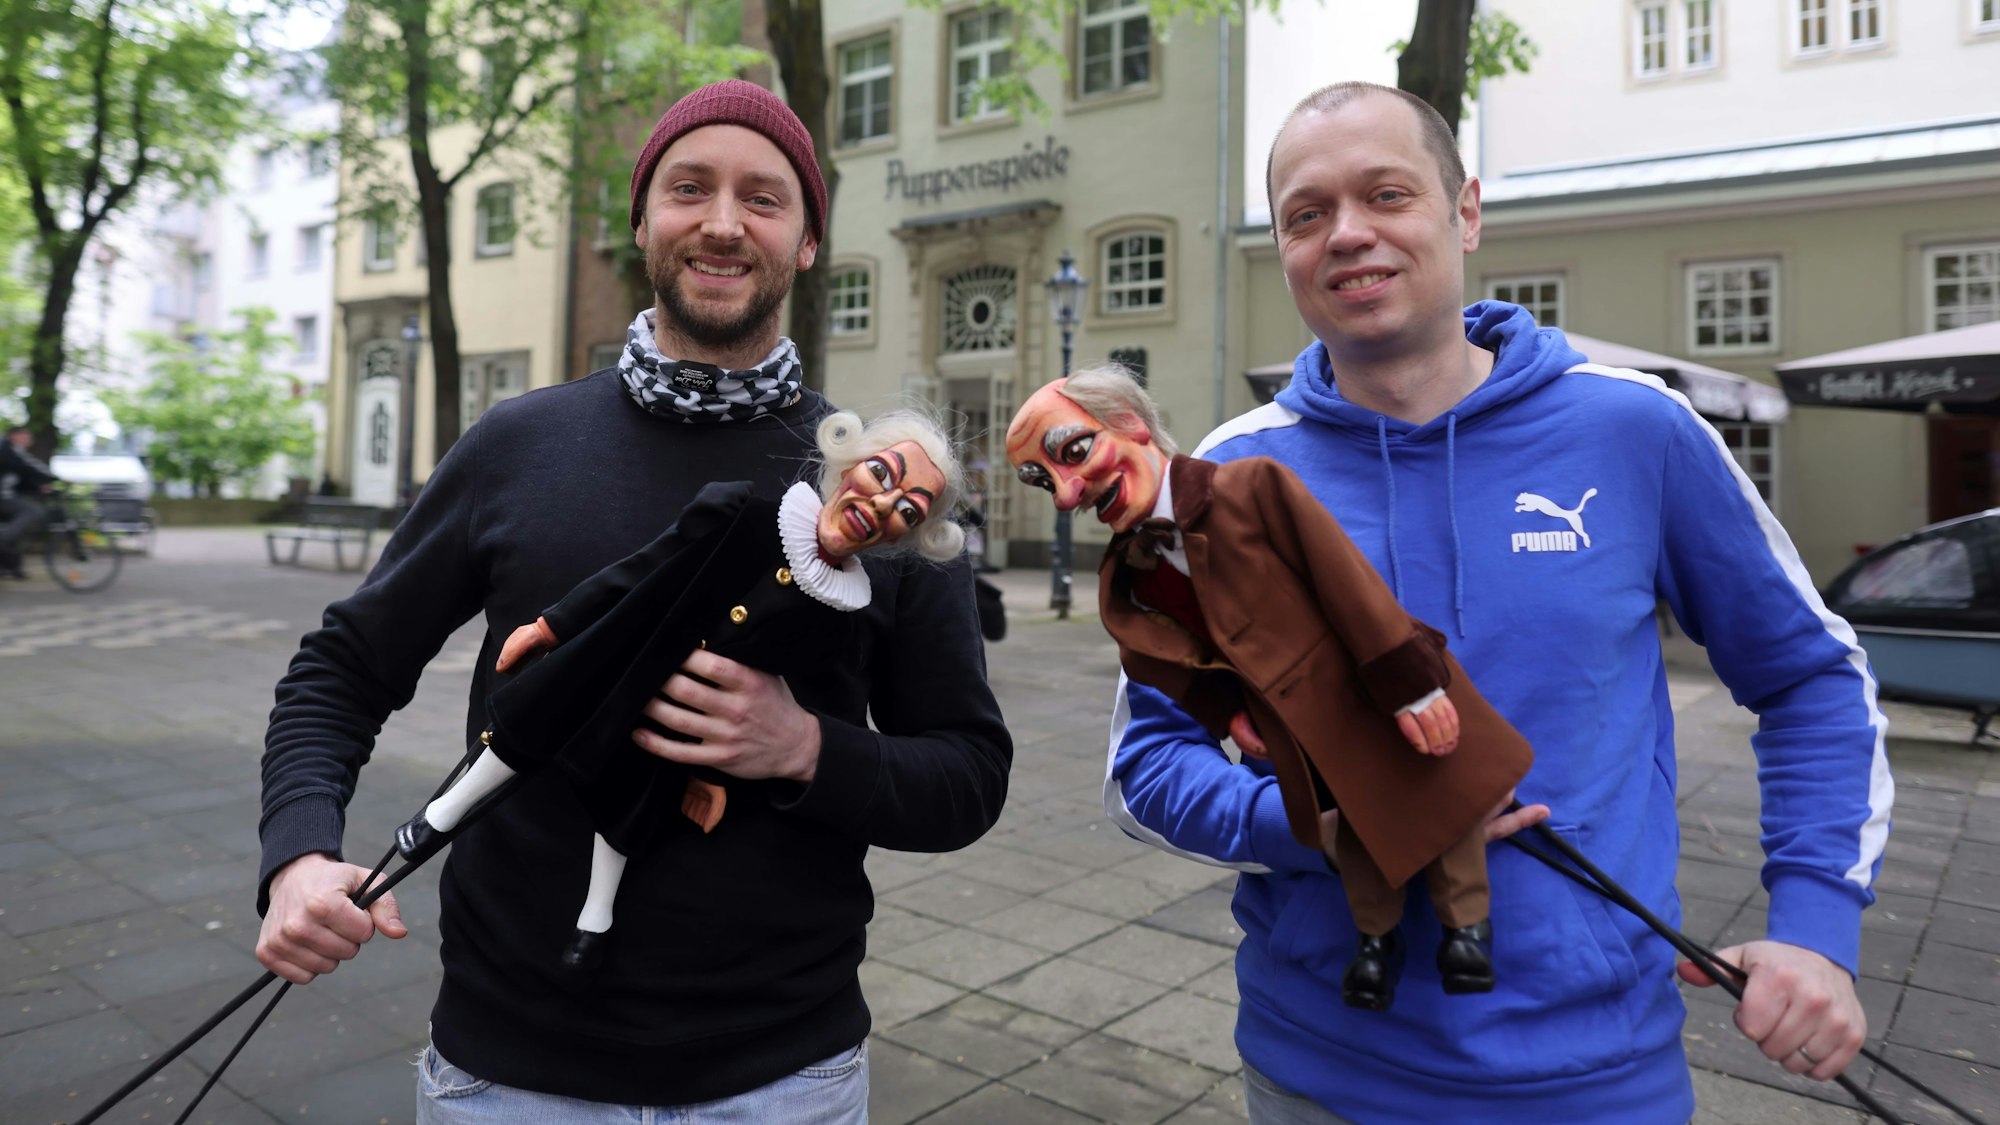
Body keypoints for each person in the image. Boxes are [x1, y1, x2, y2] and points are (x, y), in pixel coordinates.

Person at [1104, 81, 1889, 1123]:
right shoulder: (1224, 480)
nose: (1347, 233)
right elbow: (1147, 764)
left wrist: (1815, 927)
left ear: (1465, 212)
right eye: (1306, 213)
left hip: (1596, 1078)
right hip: (1315, 1069)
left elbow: (1809, 677)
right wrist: (1318, 826)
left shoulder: (1633, 431)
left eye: (1387, 194)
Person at [254, 79, 1011, 1123]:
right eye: (688, 188)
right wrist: (297, 855)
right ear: (641, 222)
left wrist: (804, 748)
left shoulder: (886, 497)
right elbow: (342, 670)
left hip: (784, 1079)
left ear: (806, 243)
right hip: (507, 1076)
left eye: (763, 198)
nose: (722, 222)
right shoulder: (516, 446)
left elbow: (968, 777)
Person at [1006, 367, 1537, 1009]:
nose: (1067, 496)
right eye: (1044, 482)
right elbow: (1166, 658)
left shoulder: (1250, 485)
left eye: (1072, 452)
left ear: (1129, 423)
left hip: (1369, 686)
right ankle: (1377, 940)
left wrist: (1411, 684)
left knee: (1445, 791)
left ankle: (1467, 930)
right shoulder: (1133, 569)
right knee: (1353, 819)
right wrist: (1226, 711)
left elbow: (1344, 581)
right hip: (1295, 723)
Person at [390, 408, 965, 972]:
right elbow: (641, 570)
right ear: (848, 463)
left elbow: (770, 713)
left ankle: (594, 919)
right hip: (623, 658)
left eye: (907, 510)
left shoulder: (837, 619)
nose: (883, 504)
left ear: (909, 535)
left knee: (633, 800)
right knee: (535, 717)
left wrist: (720, 773)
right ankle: (440, 815)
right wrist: (553, 626)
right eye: (881, 474)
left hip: (674, 729)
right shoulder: (742, 512)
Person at [0, 424, 57, 579]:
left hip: (7, 495)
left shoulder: (10, 451)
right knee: (32, 512)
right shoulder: (9, 449)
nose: (29, 439)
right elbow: (28, 466)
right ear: (14, 436)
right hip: (3, 496)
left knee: (16, 526)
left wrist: (39, 485)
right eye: (25, 436)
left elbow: (20, 474)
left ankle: (10, 567)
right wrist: (52, 479)